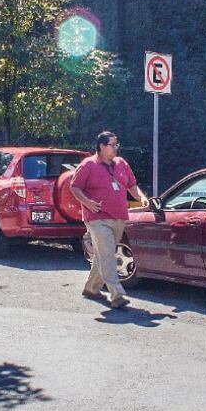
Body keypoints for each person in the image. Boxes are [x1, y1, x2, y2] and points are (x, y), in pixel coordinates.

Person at [70, 131, 147, 309]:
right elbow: (75, 187)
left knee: (103, 254)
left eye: (116, 144)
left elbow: (132, 185)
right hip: (97, 218)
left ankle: (91, 288)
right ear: (102, 147)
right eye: (112, 145)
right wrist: (88, 203)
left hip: (118, 216)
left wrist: (142, 198)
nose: (115, 148)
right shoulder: (88, 165)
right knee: (108, 255)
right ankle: (117, 294)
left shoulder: (121, 164)